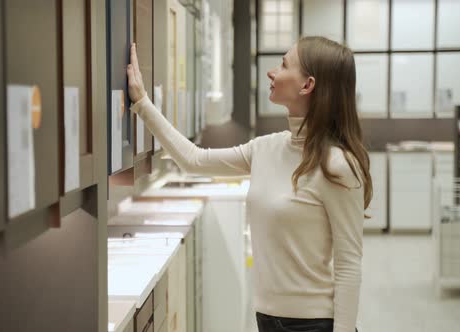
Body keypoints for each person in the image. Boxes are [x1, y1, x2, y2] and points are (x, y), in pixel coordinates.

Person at [127, 36, 371, 332]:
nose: (272, 72)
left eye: (283, 65)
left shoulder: (337, 165)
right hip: (267, 319)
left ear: (307, 85)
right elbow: (194, 160)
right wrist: (142, 104)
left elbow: (348, 264)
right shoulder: (265, 148)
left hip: (315, 324)